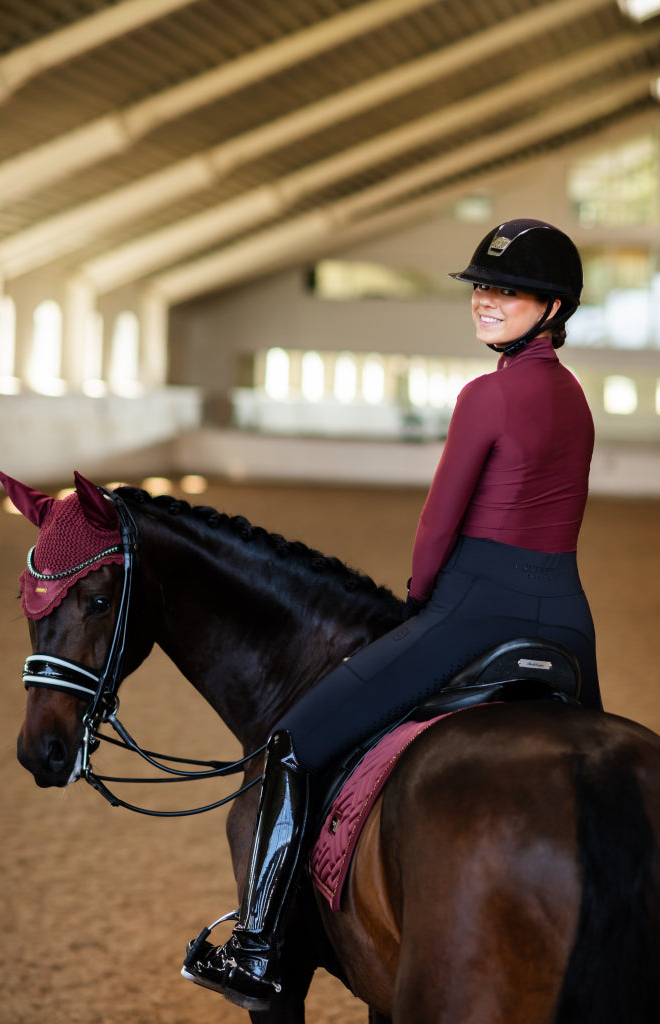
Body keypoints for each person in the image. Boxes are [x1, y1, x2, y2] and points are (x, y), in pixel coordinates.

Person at [181, 218, 601, 1011]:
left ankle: (258, 947)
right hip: (566, 627)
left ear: (551, 306)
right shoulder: (575, 398)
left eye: (505, 290)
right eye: (481, 286)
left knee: (292, 746)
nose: (485, 300)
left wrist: (418, 604)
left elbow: (438, 521)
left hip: (475, 612)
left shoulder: (487, 395)